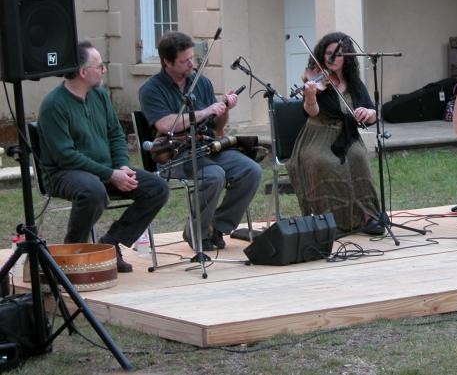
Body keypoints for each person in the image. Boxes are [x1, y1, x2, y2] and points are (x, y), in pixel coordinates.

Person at [38, 41, 170, 272]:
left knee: (157, 187)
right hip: (64, 174)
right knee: (92, 191)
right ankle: (73, 254)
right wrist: (111, 174)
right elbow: (65, 156)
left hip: (106, 170)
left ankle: (111, 243)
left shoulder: (99, 96)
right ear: (82, 72)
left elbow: (116, 135)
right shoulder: (53, 105)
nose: (104, 70)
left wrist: (121, 166)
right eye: (100, 66)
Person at [139, 31, 261, 251]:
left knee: (251, 170)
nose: (191, 64)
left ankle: (217, 226)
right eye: (185, 61)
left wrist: (224, 108)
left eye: (192, 58)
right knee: (214, 176)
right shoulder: (151, 89)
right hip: (175, 154)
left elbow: (217, 125)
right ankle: (197, 234)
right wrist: (206, 111)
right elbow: (166, 125)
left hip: (208, 147)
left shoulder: (201, 82)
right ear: (167, 62)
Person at [287, 32, 384, 236]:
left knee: (358, 158)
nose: (332, 58)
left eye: (338, 55)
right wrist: (310, 95)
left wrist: (368, 113)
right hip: (317, 136)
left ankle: (368, 216)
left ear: (346, 58)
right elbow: (311, 112)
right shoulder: (315, 79)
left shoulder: (354, 83)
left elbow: (373, 114)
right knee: (327, 163)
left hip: (346, 136)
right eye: (328, 53)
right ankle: (331, 222)